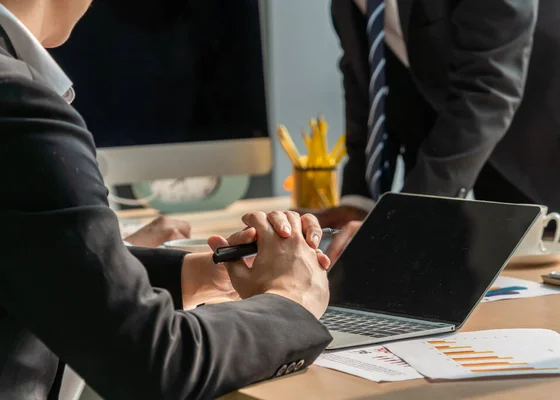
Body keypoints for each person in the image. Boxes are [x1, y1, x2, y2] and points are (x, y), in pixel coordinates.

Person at [0, 1, 333, 399]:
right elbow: (152, 362)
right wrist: (291, 300)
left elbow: (36, 254)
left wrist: (198, 274)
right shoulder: (18, 105)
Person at [316, 0, 560, 261]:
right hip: (500, 171)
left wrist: (405, 216)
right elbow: (371, 85)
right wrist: (360, 201)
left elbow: (488, 90)